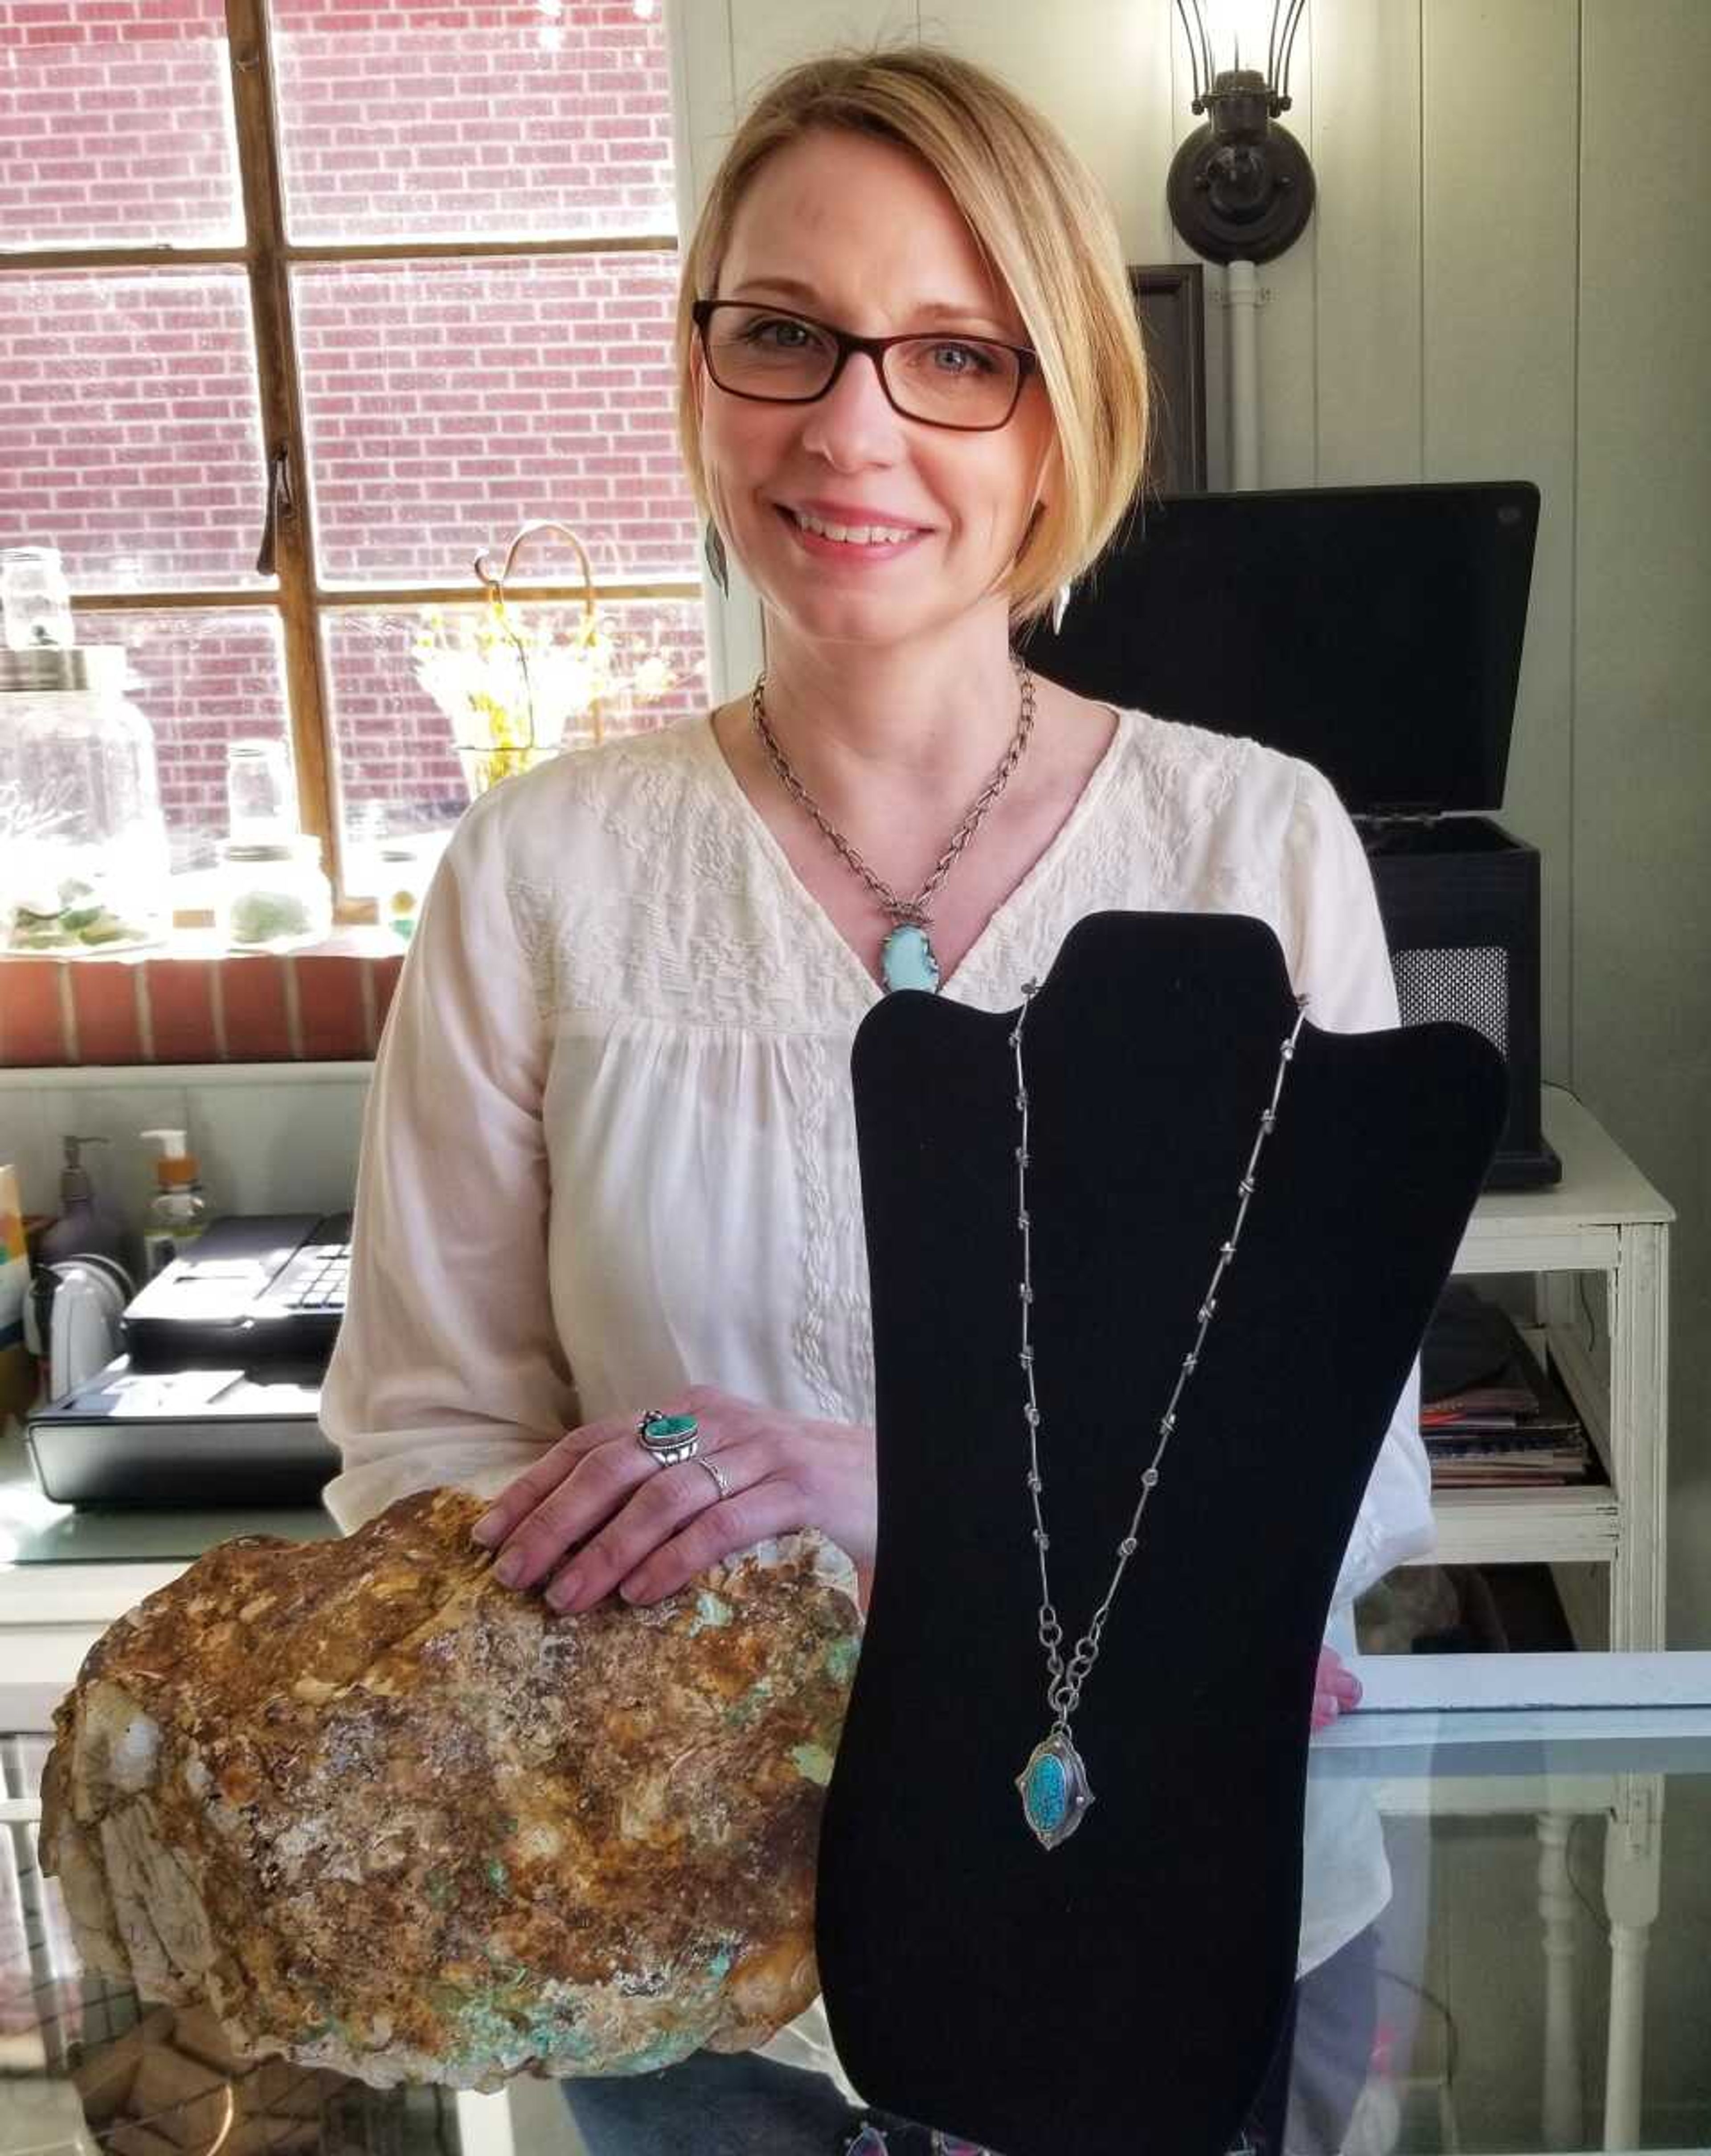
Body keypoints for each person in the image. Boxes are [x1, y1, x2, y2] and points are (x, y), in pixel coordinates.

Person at [320, 41, 1431, 2156]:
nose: (850, 425)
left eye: (953, 353)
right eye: (785, 336)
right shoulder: (539, 875)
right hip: (690, 1983)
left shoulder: (1254, 848)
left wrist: (875, 1486)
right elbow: (425, 1460)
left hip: (1176, 1920)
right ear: (704, 363)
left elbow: (1355, 1477)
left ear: (1058, 418)